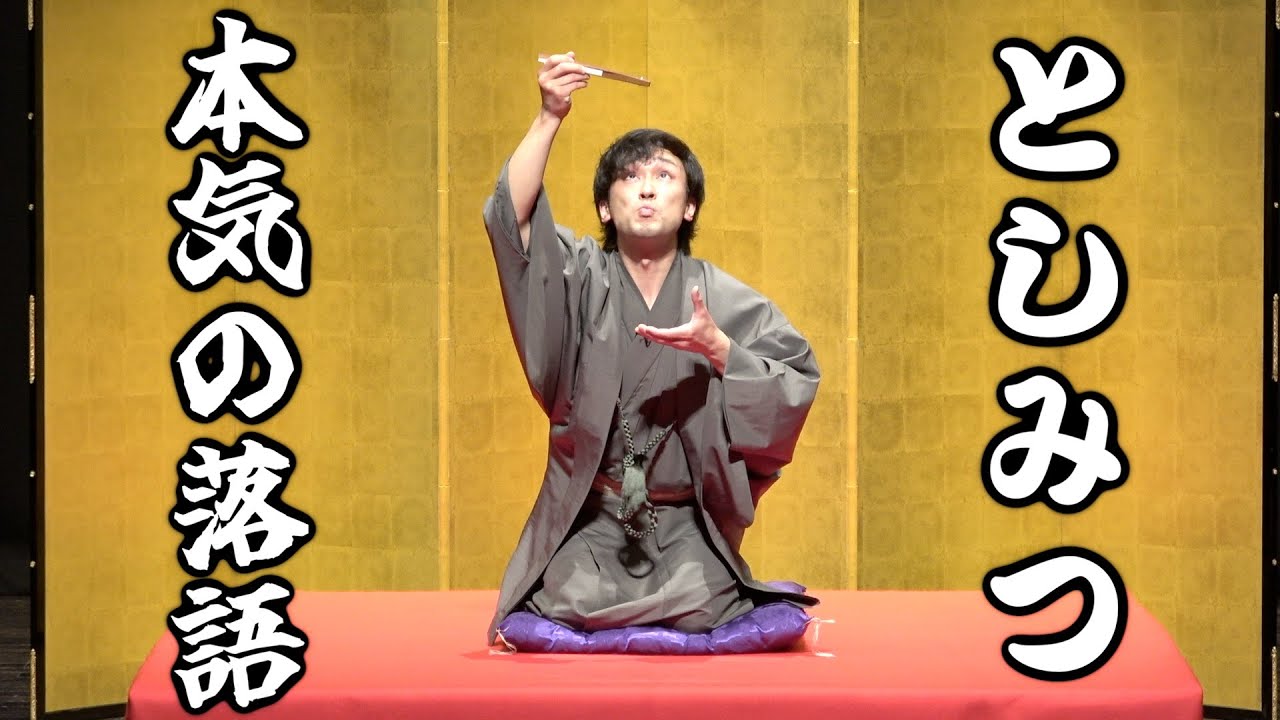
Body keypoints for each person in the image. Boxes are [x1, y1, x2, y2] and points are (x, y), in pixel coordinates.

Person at [481, 52, 820, 645]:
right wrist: (550, 114)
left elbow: (795, 378)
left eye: (663, 177)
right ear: (604, 207)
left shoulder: (722, 298)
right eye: (629, 178)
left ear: (688, 207)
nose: (645, 188)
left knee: (701, 603)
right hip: (596, 522)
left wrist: (723, 351)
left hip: (686, 524)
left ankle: (689, 595)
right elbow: (514, 221)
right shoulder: (582, 277)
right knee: (568, 599)